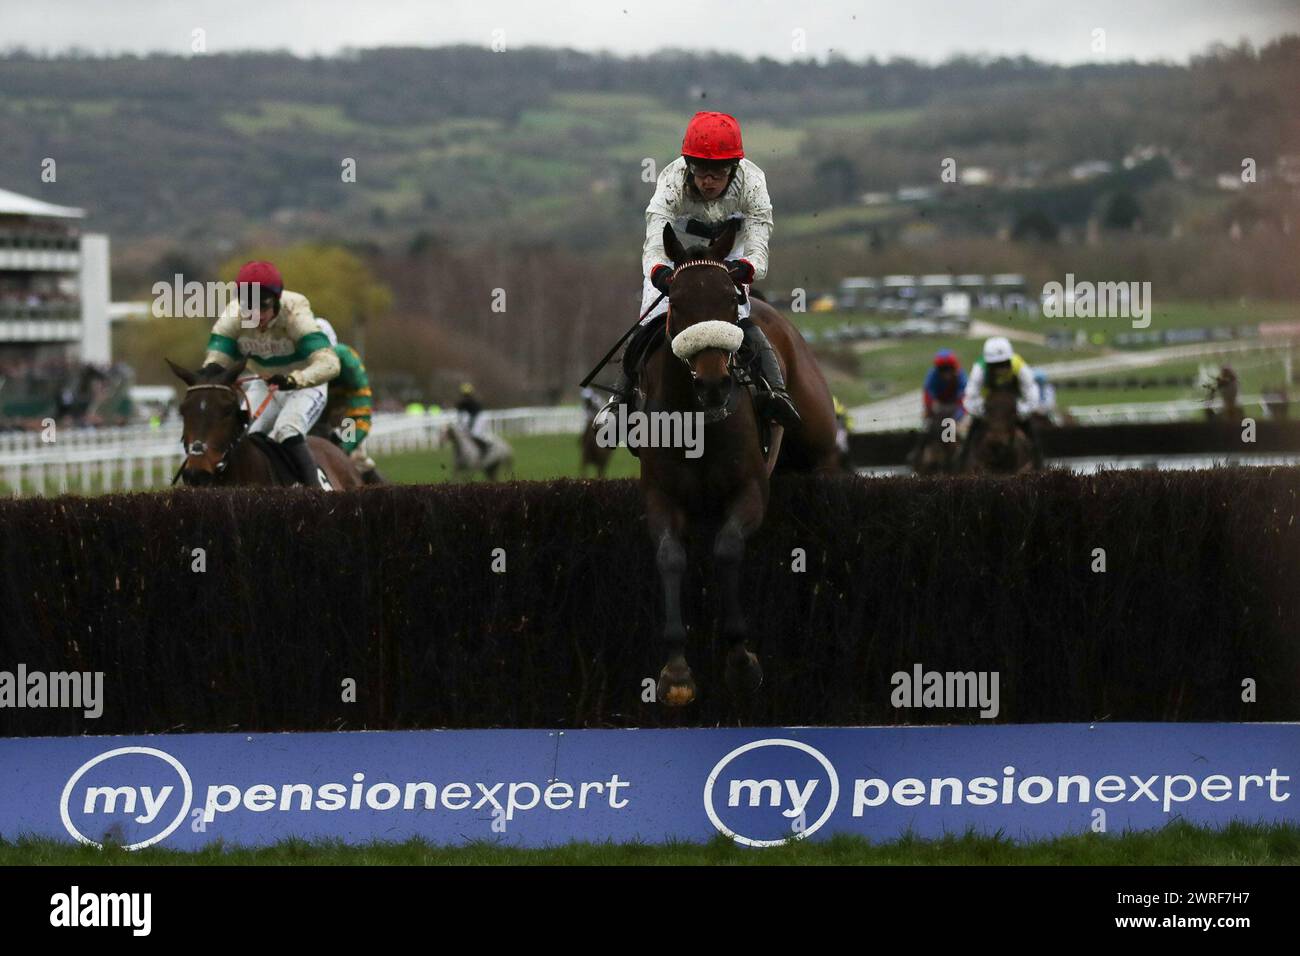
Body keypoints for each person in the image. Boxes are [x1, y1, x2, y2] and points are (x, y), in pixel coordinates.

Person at [597, 111, 796, 429]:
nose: (708, 181)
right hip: (679, 250)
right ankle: (619, 401)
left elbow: (759, 233)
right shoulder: (671, 180)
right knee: (649, 316)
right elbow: (655, 237)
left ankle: (776, 393)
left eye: (718, 173)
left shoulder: (752, 181)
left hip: (729, 249)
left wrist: (749, 268)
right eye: (701, 171)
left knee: (741, 315)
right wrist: (659, 271)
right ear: (688, 164)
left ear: (734, 168)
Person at [201, 260, 338, 488]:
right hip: (265, 385)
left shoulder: (296, 313)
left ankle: (315, 496)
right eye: (249, 308)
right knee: (238, 436)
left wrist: (295, 380)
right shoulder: (232, 318)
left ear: (277, 301)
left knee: (287, 429)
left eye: (262, 308)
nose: (255, 315)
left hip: (304, 384)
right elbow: (215, 365)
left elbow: (330, 364)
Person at [314, 318, 383, 485]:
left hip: (343, 414)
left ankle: (380, 495)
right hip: (314, 414)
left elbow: (358, 412)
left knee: (355, 457)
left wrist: (347, 445)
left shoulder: (347, 364)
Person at [961, 336, 1043, 468]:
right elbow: (970, 397)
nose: (1000, 369)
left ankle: (1040, 469)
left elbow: (1032, 395)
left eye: (1003, 364)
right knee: (968, 441)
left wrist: (1021, 411)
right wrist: (984, 412)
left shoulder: (1020, 366)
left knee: (1034, 439)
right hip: (989, 410)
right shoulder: (979, 369)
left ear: (1009, 360)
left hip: (1012, 411)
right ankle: (959, 469)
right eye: (995, 365)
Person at [908, 348, 967, 466]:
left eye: (948, 369)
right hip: (939, 407)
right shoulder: (932, 375)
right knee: (927, 427)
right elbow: (928, 394)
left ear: (953, 368)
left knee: (961, 431)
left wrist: (957, 418)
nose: (946, 373)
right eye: (943, 369)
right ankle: (916, 453)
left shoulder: (961, 376)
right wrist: (929, 409)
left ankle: (964, 454)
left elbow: (965, 399)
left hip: (956, 407)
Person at [455, 383, 492, 456]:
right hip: (476, 416)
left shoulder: (466, 402)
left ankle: (487, 447)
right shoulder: (465, 402)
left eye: (466, 394)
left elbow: (463, 413)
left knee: (475, 433)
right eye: (465, 394)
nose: (466, 396)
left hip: (480, 416)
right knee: (469, 433)